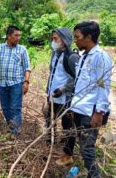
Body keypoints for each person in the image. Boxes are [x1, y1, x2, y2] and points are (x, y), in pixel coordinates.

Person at [59, 21, 113, 178]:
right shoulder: (83, 56)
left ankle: (95, 175)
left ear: (89, 37)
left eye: (77, 37)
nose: (75, 40)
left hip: (91, 111)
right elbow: (80, 85)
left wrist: (99, 112)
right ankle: (89, 173)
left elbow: (103, 86)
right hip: (80, 108)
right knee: (84, 146)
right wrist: (72, 107)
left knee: (87, 149)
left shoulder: (100, 58)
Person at [44, 28, 79, 164]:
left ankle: (68, 155)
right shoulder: (55, 54)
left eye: (55, 39)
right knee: (49, 119)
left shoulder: (72, 57)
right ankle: (50, 144)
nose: (53, 42)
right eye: (52, 39)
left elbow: (79, 78)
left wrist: (64, 89)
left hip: (65, 98)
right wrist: (48, 92)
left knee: (68, 126)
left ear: (64, 40)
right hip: (52, 96)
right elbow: (52, 75)